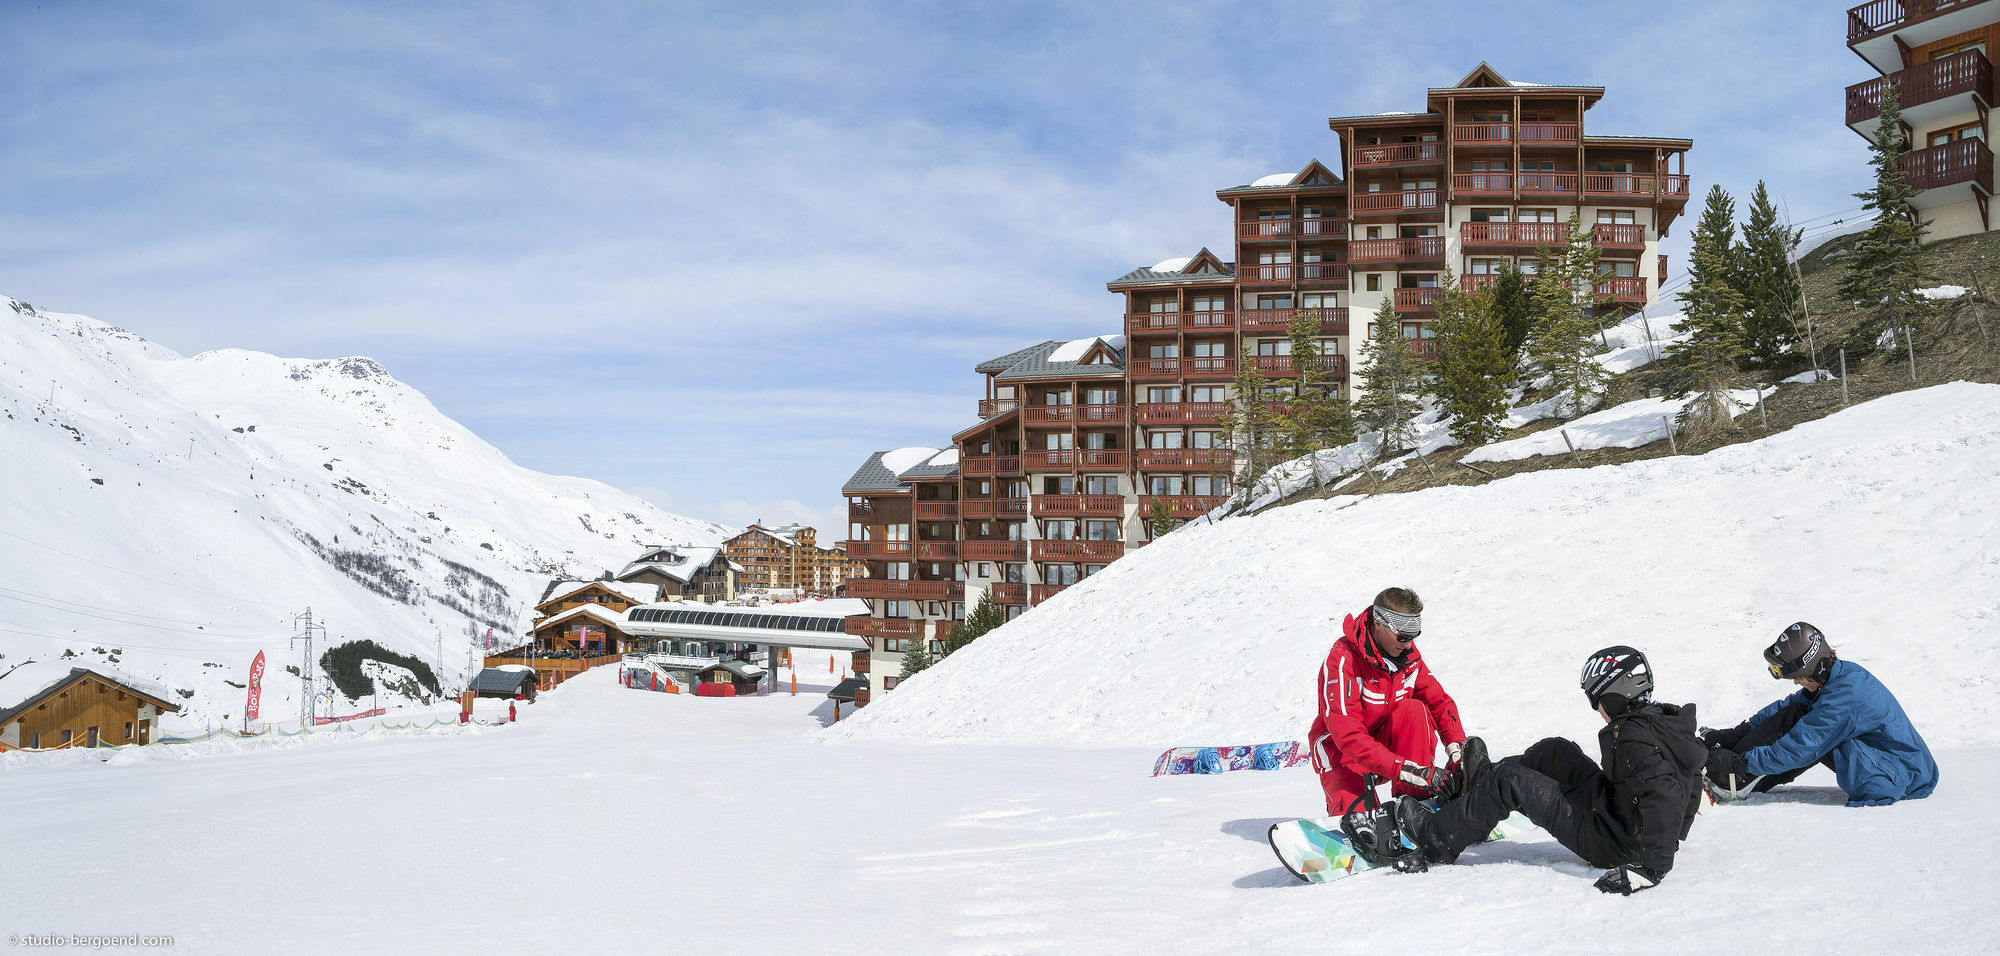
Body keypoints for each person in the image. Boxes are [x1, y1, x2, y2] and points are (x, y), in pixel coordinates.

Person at [1347, 646, 1707, 896]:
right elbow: (1690, 774)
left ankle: (1437, 837)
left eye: (1596, 699)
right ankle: (1481, 785)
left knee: (1512, 782)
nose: (1596, 708)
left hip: (1613, 843)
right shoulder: (1662, 723)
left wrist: (1653, 866)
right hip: (1615, 814)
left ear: (1614, 694)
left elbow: (1662, 794)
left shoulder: (1636, 740)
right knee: (1556, 750)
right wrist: (1676, 834)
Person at [1702, 622, 1938, 807]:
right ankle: (1729, 771)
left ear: (1815, 667)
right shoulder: (1837, 678)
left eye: (1798, 676)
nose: (1795, 682)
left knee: (1805, 738)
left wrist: (1740, 763)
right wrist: (1736, 734)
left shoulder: (1845, 696)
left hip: (1897, 776)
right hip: (1894, 766)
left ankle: (1731, 782)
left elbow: (1801, 746)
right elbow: (1785, 708)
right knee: (1796, 711)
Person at [1306, 587, 1467, 816]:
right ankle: (1356, 814)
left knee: (1414, 709)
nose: (1409, 645)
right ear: (1378, 623)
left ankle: (1413, 802)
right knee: (1361, 820)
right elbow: (1348, 736)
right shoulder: (1343, 660)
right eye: (1402, 637)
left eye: (1414, 636)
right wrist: (1406, 769)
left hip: (1387, 751)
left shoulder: (1408, 659)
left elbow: (1440, 703)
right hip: (1344, 755)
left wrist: (1457, 750)